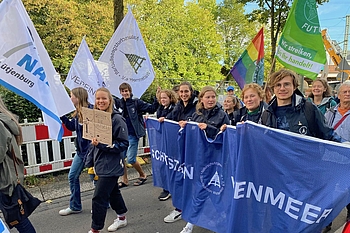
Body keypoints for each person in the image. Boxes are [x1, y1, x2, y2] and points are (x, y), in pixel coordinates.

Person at [178, 86, 229, 233]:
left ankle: (224, 220)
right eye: (208, 97)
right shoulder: (196, 114)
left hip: (217, 160)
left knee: (216, 191)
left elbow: (226, 136)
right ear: (201, 99)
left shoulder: (222, 115)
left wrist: (209, 128)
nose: (211, 99)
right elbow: (191, 134)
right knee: (199, 190)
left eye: (213, 97)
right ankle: (191, 223)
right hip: (200, 158)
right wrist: (184, 126)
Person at [86, 87, 129, 233]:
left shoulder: (117, 119)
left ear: (110, 100)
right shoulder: (96, 117)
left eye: (104, 98)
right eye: (98, 98)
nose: (100, 101)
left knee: (99, 197)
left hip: (112, 165)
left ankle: (95, 229)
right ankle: (122, 218)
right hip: (100, 162)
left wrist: (103, 145)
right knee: (113, 192)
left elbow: (123, 144)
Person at [261, 68, 342, 141]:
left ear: (294, 87)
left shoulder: (308, 109)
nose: (282, 88)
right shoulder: (267, 115)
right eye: (278, 85)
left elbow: (328, 134)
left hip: (306, 157)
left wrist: (345, 146)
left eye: (286, 84)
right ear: (273, 89)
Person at [162, 81, 198, 224]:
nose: (183, 94)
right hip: (182, 146)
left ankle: (194, 209)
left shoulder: (197, 105)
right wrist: (163, 119)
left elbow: (198, 119)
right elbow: (172, 116)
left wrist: (187, 123)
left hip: (194, 147)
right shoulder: (179, 105)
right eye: (181, 92)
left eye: (186, 92)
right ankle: (180, 208)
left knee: (194, 179)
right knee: (181, 177)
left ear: (191, 91)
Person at [0, 97, 36, 233]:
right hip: (8, 177)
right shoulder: (6, 120)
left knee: (18, 219)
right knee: (18, 218)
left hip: (4, 180)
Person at [114, 83, 159, 187]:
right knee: (121, 158)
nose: (125, 93)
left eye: (126, 91)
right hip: (122, 135)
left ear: (130, 91)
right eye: (123, 91)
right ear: (120, 92)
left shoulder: (136, 102)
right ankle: (125, 180)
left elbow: (152, 108)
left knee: (131, 159)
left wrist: (157, 99)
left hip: (133, 134)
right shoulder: (119, 103)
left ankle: (143, 175)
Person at [59, 87, 93, 216]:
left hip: (91, 152)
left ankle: (103, 203)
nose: (70, 98)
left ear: (78, 97)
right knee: (72, 176)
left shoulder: (90, 111)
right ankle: (75, 206)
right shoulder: (78, 112)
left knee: (96, 179)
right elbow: (71, 127)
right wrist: (62, 116)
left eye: (71, 95)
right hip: (81, 152)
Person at [324, 81, 350, 232]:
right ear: (338, 95)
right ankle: (326, 222)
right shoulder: (330, 113)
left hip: (348, 159)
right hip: (330, 159)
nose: (347, 94)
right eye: (344, 92)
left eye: (349, 92)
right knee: (328, 193)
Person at [156, 89, 178, 201]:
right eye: (161, 98)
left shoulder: (175, 108)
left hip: (172, 142)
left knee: (171, 165)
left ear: (170, 98)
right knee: (163, 165)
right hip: (163, 141)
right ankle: (166, 187)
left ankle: (170, 189)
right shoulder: (160, 109)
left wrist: (166, 119)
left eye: (165, 98)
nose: (163, 100)